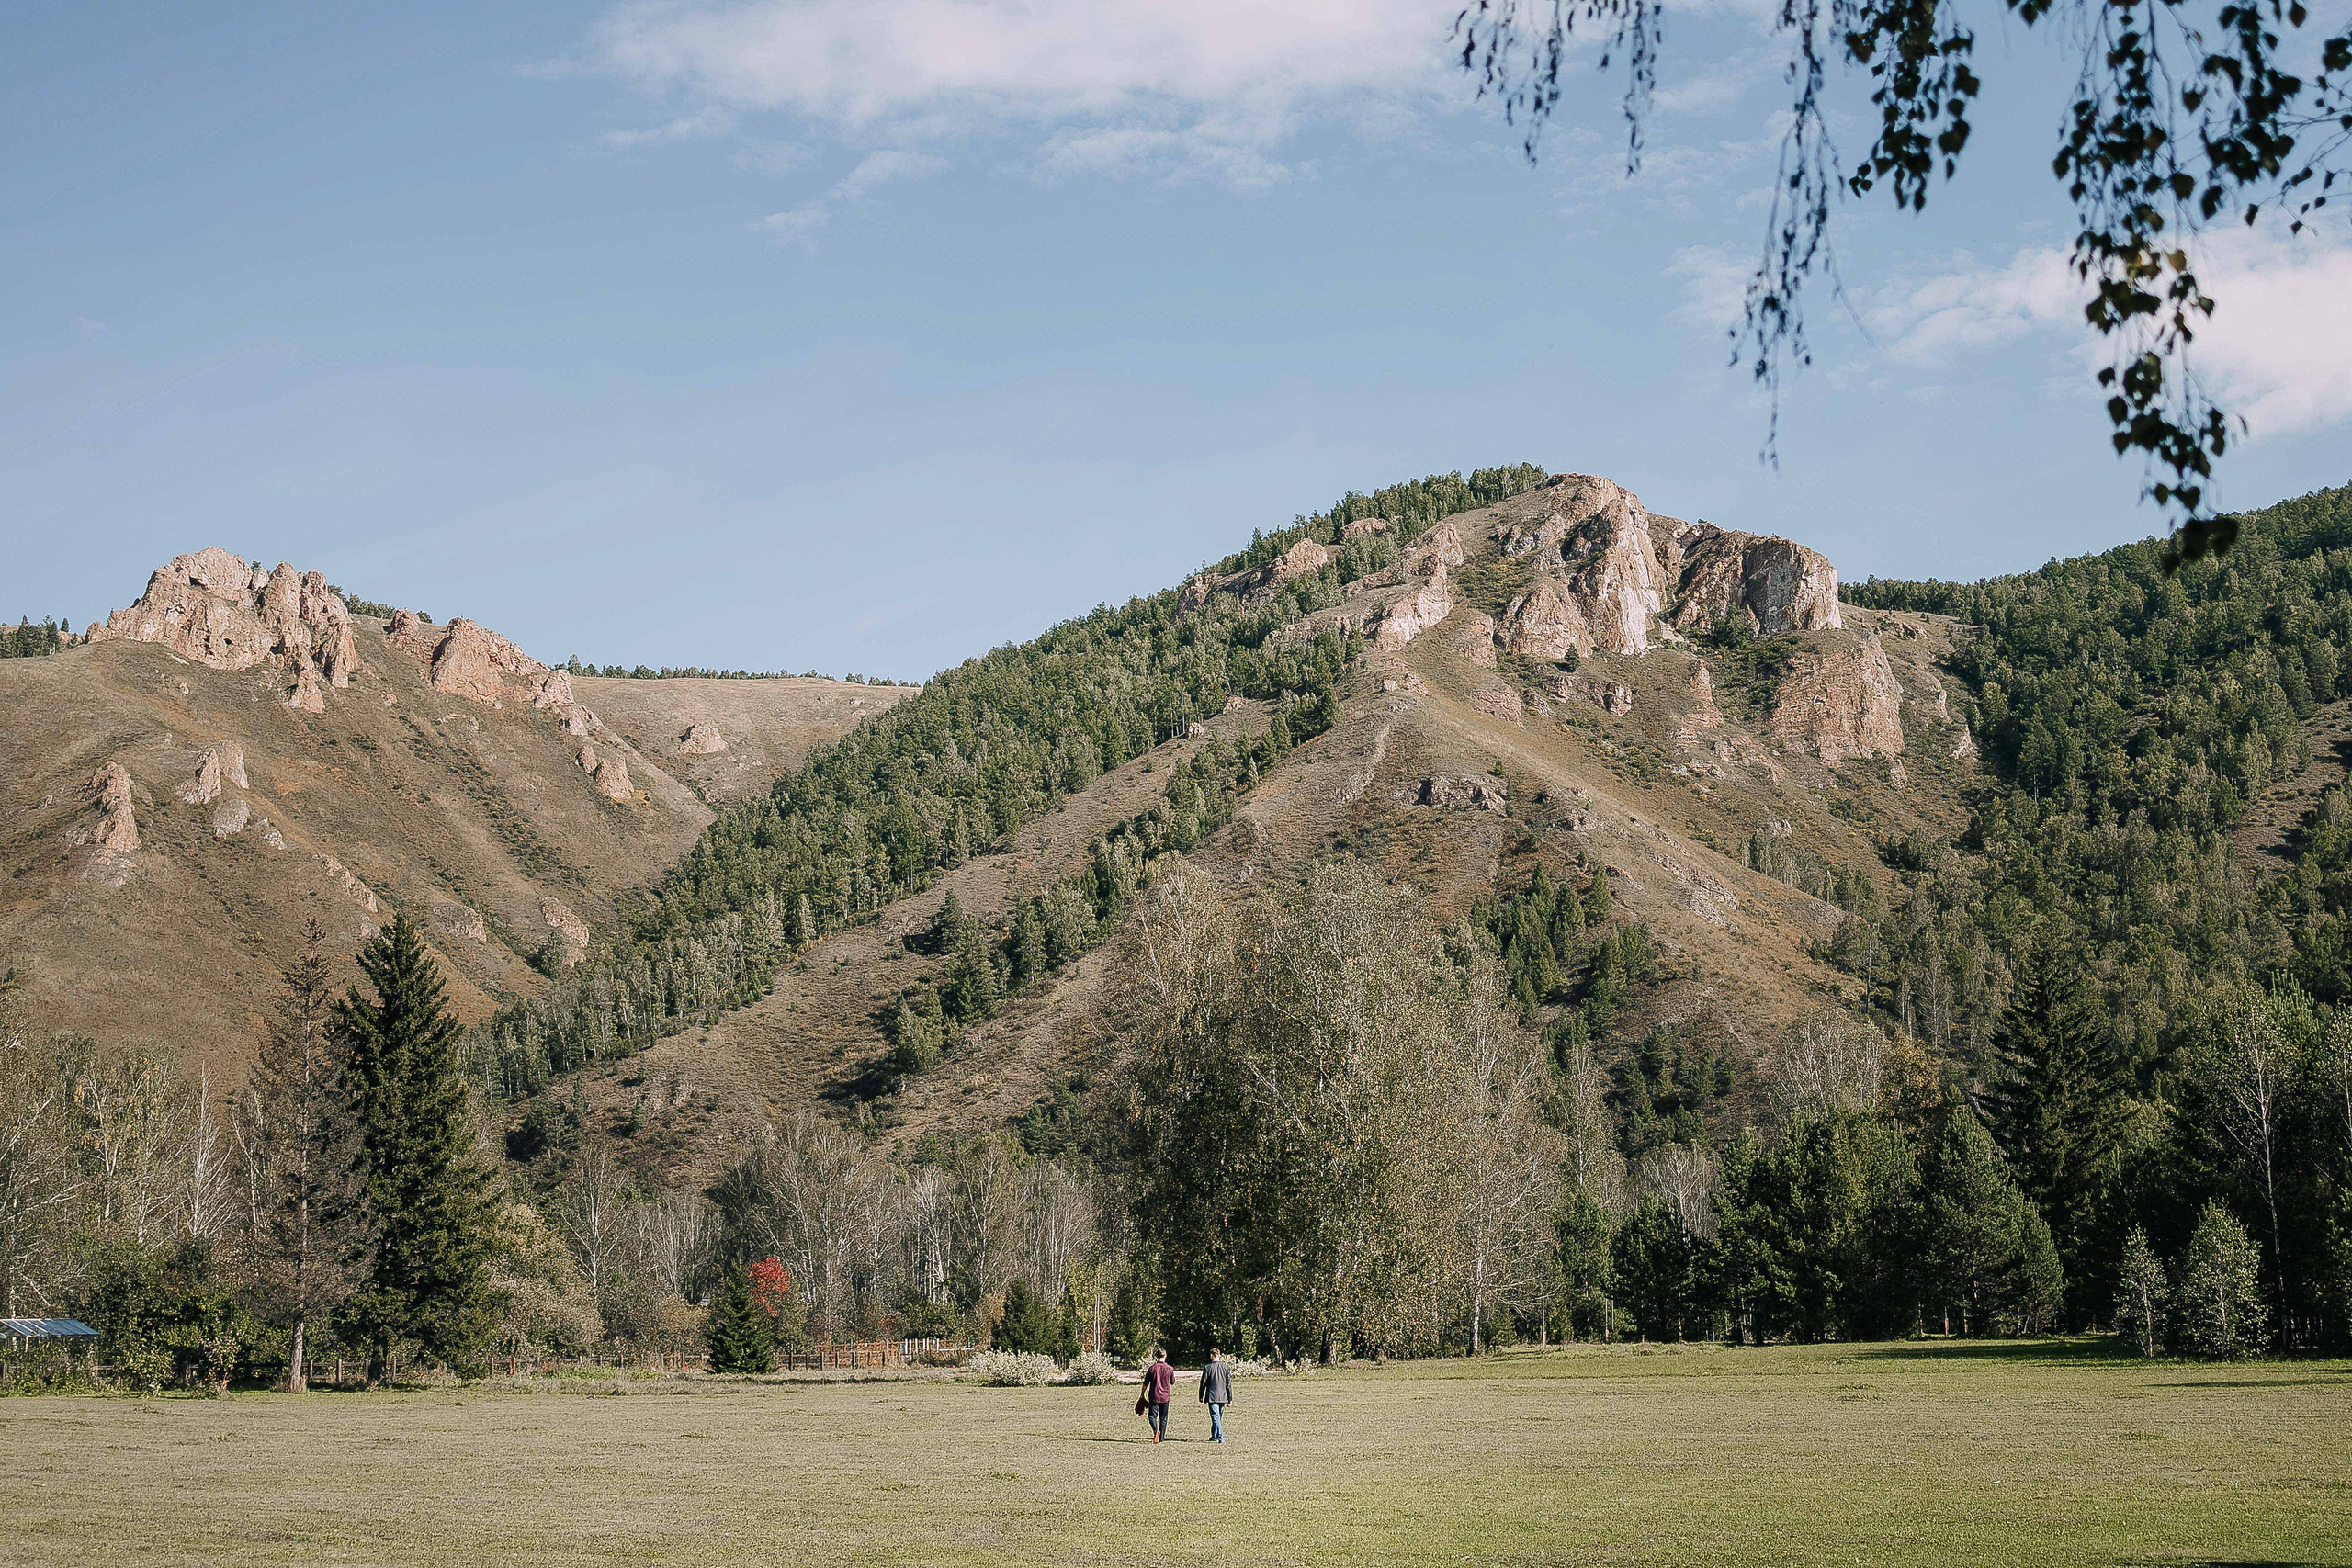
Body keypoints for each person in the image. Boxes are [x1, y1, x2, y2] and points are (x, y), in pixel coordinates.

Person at [1198, 1346, 1233, 1443]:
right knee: (1217, 1417)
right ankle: (1214, 1436)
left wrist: (1201, 1395)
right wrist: (1230, 1399)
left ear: (1212, 1356)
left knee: (1215, 1417)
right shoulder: (1226, 1368)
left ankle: (1221, 1437)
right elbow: (1228, 1384)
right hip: (1223, 1396)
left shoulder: (1208, 1368)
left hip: (1212, 1396)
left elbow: (1203, 1383)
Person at [1141, 1347, 1177, 1441]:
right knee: (1163, 1417)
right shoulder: (1170, 1368)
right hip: (1165, 1396)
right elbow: (1172, 1382)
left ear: (1156, 1356)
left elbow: (1146, 1383)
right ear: (1165, 1356)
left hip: (1154, 1396)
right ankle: (1161, 1438)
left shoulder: (1152, 1368)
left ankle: (1156, 1430)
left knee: (1152, 1416)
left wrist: (1142, 1394)